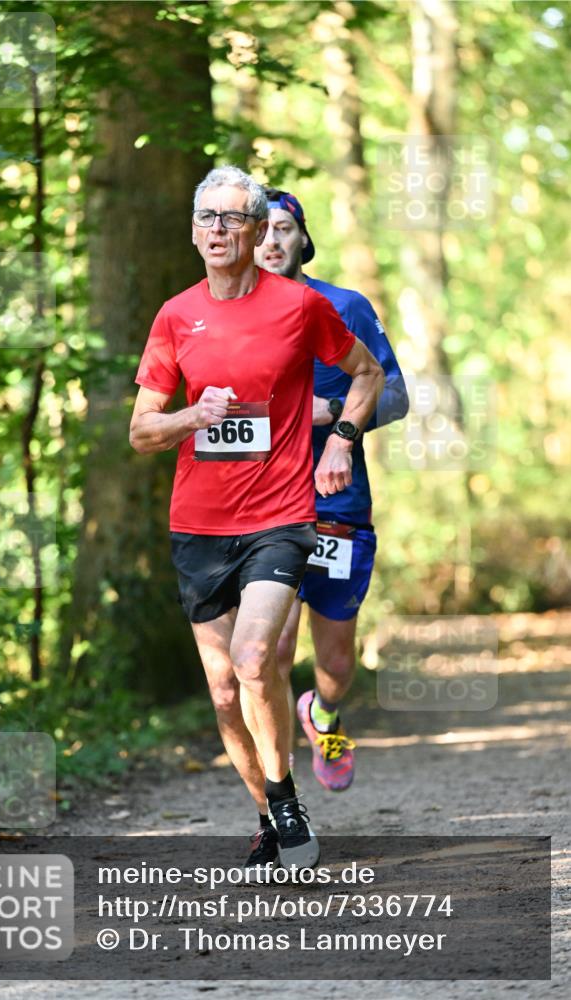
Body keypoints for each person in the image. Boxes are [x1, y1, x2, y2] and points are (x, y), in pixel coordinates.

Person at [129, 166, 384, 869]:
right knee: (220, 689)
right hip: (198, 525)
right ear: (192, 229)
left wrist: (340, 439)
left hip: (280, 516)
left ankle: (287, 796)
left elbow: (368, 374)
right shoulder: (175, 316)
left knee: (254, 660)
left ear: (255, 228)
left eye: (230, 218)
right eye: (204, 217)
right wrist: (192, 415)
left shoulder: (299, 307)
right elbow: (141, 431)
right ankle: (272, 810)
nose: (215, 229)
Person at [254, 188, 409, 793]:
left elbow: (394, 395)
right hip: (264, 506)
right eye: (260, 229)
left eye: (284, 228)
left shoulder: (344, 306)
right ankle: (280, 793)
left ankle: (323, 714)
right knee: (273, 642)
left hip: (338, 503)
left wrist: (334, 412)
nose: (271, 240)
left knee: (336, 663)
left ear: (302, 238)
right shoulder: (224, 316)